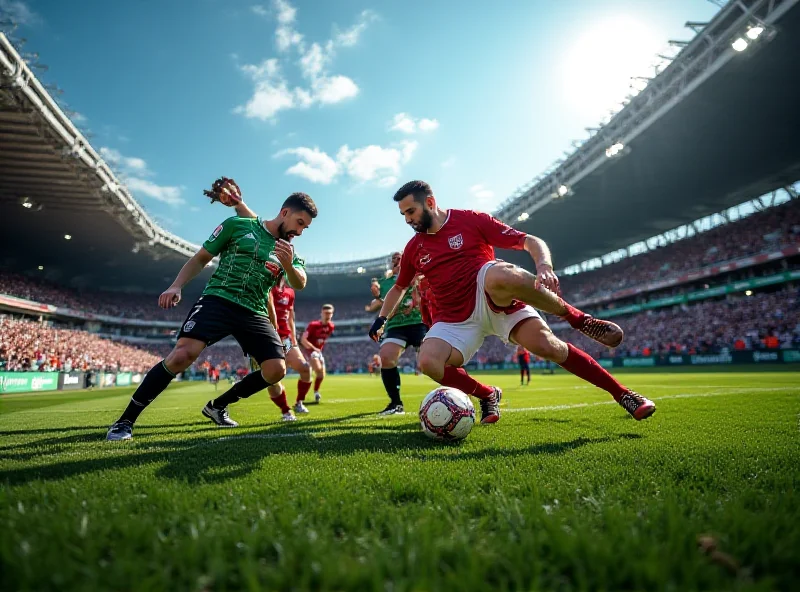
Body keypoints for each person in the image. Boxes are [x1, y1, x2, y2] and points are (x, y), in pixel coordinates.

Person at [369, 180, 655, 424]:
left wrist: (543, 265)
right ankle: (487, 394)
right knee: (429, 362)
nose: (407, 219)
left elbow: (530, 240)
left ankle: (609, 371)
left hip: (492, 294)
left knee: (542, 337)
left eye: (411, 211)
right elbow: (398, 287)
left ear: (430, 202)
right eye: (403, 214)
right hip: (455, 317)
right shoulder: (414, 248)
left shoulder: (470, 219)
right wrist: (382, 318)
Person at [106, 178, 317, 440]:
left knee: (276, 370)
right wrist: (176, 286)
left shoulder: (290, 251)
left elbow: (301, 282)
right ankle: (124, 421)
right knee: (182, 355)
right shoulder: (238, 225)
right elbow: (201, 258)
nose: (300, 231)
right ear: (285, 212)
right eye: (300, 223)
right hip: (219, 299)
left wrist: (287, 265)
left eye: (305, 228)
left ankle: (217, 406)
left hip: (254, 311)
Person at [365, 251, 428, 415]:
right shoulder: (384, 282)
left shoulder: (417, 275)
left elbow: (426, 295)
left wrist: (416, 300)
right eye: (394, 259)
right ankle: (395, 403)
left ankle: (456, 395)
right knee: (386, 357)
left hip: (419, 323)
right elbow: (377, 303)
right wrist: (377, 296)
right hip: (395, 326)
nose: (396, 261)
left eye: (399, 258)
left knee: (428, 363)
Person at [300, 304, 335, 403]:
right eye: (325, 313)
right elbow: (303, 340)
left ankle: (316, 392)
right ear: (321, 313)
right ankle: (307, 372)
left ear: (332, 314)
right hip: (310, 351)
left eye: (329, 313)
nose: (327, 315)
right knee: (318, 369)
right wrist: (313, 348)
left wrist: (318, 348)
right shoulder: (313, 325)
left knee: (322, 375)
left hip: (318, 351)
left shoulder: (331, 326)